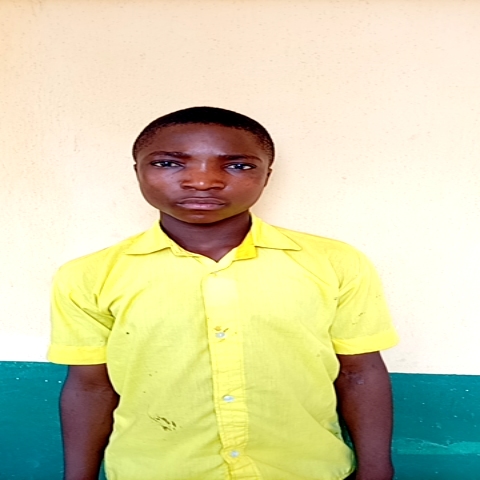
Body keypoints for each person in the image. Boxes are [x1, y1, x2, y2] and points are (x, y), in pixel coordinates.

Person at [48, 106, 398, 480]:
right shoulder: (88, 275)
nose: (202, 182)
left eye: (238, 166)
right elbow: (91, 388)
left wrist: (377, 470)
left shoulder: (335, 262)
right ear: (138, 171)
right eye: (168, 164)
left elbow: (359, 372)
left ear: (267, 176)